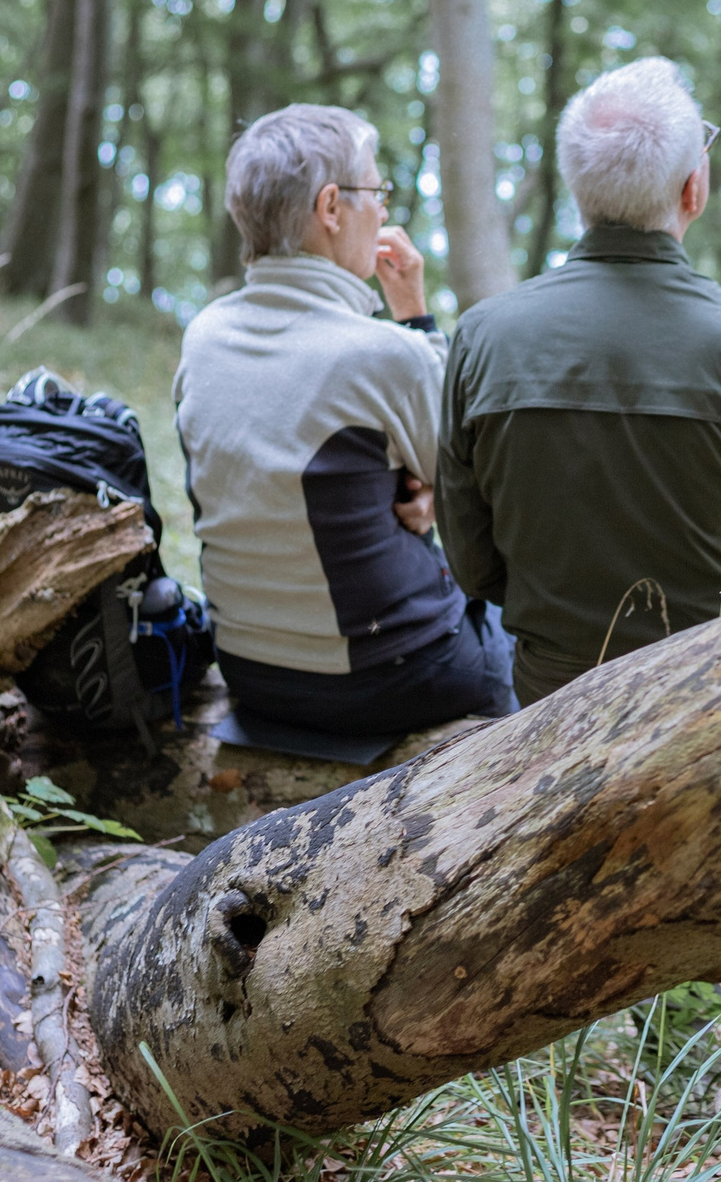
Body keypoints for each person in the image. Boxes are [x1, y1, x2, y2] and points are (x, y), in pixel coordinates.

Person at [437, 58, 721, 704]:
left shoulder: (482, 337)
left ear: (578, 189)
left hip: (547, 715)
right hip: (711, 710)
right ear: (693, 189)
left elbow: (475, 568)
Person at [175, 104, 514, 741]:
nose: (383, 211)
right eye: (374, 192)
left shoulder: (204, 337)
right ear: (331, 208)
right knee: (525, 626)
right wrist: (414, 315)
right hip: (391, 678)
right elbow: (487, 494)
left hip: (253, 675)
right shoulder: (383, 354)